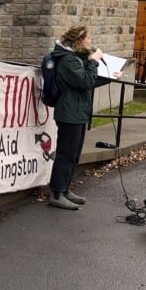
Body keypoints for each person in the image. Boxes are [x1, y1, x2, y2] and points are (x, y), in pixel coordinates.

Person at [48, 24, 121, 210]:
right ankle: (56, 193)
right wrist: (94, 61)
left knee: (74, 154)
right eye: (88, 38)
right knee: (66, 154)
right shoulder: (67, 60)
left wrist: (110, 76)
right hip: (69, 113)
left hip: (78, 112)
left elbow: (89, 81)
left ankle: (65, 189)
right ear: (79, 40)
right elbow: (84, 81)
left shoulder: (76, 59)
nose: (91, 41)